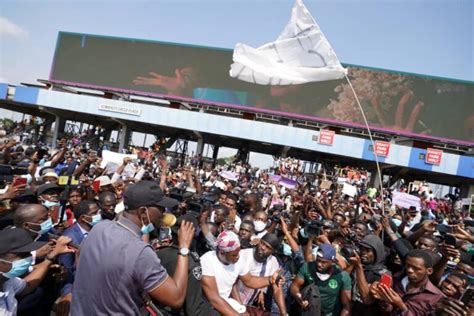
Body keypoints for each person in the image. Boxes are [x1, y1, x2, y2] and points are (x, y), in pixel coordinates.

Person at [70, 181, 194, 314]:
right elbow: (176, 298)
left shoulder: (100, 227)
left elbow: (79, 254)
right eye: (161, 208)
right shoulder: (141, 252)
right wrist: (184, 248)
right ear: (142, 211)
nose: (164, 213)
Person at [200, 231, 284, 315]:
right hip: (206, 305)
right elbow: (214, 299)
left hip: (226, 301)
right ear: (222, 252)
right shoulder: (207, 260)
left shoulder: (238, 260)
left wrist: (270, 279)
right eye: (234, 255)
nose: (238, 257)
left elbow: (250, 280)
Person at [0, 228, 74, 316]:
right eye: (22, 255)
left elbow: (27, 286)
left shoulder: (7, 280)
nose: (29, 257)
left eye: (29, 253)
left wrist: (51, 257)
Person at [56, 200, 101, 311]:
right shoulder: (69, 238)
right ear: (83, 218)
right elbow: (67, 270)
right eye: (94, 213)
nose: (98, 215)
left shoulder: (101, 229)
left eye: (98, 211)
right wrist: (67, 293)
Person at [372, 249, 445, 316]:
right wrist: (384, 298)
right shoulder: (396, 279)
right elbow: (385, 310)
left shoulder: (437, 297)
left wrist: (401, 306)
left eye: (416, 268)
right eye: (408, 266)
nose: (410, 270)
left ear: (429, 271)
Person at [290, 243, 352, 316]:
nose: (319, 264)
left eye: (324, 262)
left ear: (332, 262)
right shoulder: (307, 267)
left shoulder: (342, 276)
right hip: (308, 312)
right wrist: (299, 297)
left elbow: (346, 306)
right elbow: (294, 286)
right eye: (318, 260)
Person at [236, 233, 287, 314]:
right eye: (262, 243)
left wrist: (283, 312)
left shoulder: (273, 262)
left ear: (272, 251)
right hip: (232, 301)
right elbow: (242, 282)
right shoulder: (243, 255)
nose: (263, 248)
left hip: (248, 305)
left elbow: (277, 289)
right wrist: (239, 306)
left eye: (268, 247)